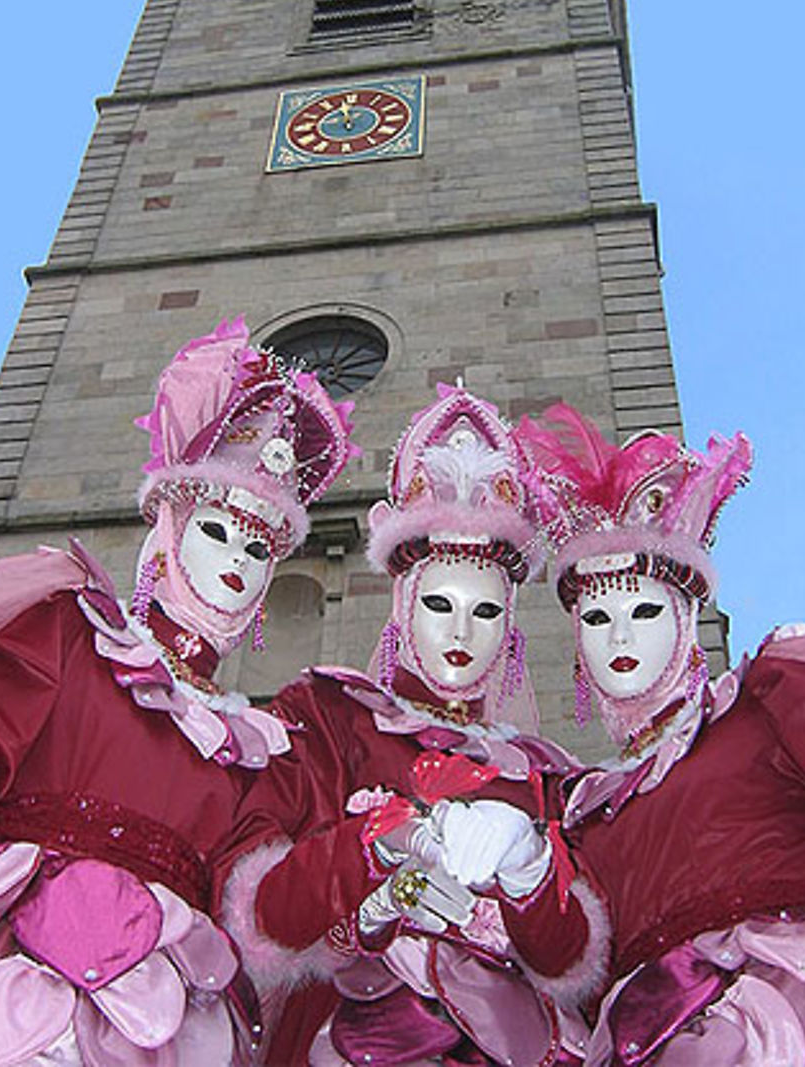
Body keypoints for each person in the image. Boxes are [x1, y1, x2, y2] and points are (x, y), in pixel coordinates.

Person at [0, 316, 356, 1065]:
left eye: (259, 544)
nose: (237, 557)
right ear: (168, 524)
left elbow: (261, 909)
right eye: (215, 528)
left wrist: (363, 854)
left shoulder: (261, 750)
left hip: (161, 1008)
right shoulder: (67, 632)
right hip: (4, 968)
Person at [222, 384, 608, 1066]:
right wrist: (374, 846)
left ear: (511, 628)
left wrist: (526, 871)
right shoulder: (328, 717)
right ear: (403, 606)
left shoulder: (549, 777)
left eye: (485, 612)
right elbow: (263, 913)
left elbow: (579, 962)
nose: (461, 630)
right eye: (439, 603)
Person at [506, 403, 805, 1067]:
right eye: (596, 617)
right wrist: (522, 874)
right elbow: (569, 966)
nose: (620, 635)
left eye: (644, 609)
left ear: (686, 616)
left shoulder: (769, 702)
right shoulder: (583, 807)